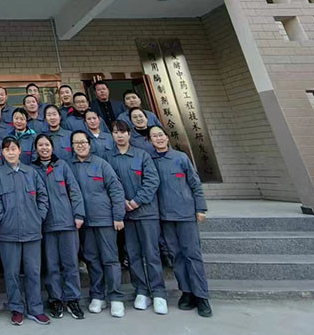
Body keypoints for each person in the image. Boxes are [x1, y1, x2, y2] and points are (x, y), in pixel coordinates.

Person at [149, 126, 212, 318]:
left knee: (192, 254)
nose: (158, 138)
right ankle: (186, 291)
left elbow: (195, 183)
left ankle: (201, 295)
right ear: (150, 141)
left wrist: (200, 208)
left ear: (167, 137)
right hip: (165, 217)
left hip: (185, 214)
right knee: (176, 256)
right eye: (154, 136)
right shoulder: (150, 161)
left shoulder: (181, 158)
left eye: (161, 135)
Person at [0, 137, 50, 326]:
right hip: (8, 233)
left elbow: (43, 197)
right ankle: (16, 309)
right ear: (2, 153)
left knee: (33, 271)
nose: (11, 152)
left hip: (32, 231)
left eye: (13, 149)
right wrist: (2, 218)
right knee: (12, 273)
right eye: (7, 150)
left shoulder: (31, 172)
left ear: (20, 150)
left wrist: (39, 217)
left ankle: (36, 309)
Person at [109, 121, 166, 315]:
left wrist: (136, 201)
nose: (119, 136)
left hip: (146, 212)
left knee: (151, 253)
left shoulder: (142, 155)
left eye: (122, 132)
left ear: (129, 134)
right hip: (126, 215)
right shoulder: (109, 158)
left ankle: (158, 292)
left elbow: (152, 180)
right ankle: (141, 290)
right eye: (116, 132)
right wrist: (122, 203)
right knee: (133, 254)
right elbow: (111, 184)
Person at [69, 131, 126, 318]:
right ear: (72, 146)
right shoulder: (69, 166)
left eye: (83, 142)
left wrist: (118, 216)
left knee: (110, 259)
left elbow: (116, 189)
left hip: (105, 220)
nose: (80, 145)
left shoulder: (101, 164)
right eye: (76, 143)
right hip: (84, 223)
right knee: (91, 259)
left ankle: (115, 297)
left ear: (89, 144)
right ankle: (97, 295)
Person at [33, 134, 85, 320]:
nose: (44, 148)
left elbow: (74, 191)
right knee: (51, 265)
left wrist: (78, 214)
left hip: (67, 222)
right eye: (40, 145)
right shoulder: (32, 170)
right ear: (36, 149)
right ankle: (55, 299)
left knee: (70, 263)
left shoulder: (62, 166)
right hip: (46, 225)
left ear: (52, 147)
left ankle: (73, 299)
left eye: (47, 144)